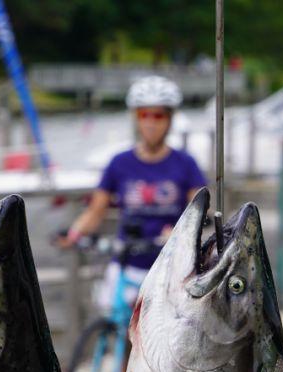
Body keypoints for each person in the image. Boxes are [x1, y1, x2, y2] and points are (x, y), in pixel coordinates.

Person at [60, 74, 207, 310]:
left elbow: (200, 210)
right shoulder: (119, 163)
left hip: (171, 264)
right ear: (135, 118)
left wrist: (182, 232)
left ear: (169, 119)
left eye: (158, 115)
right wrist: (74, 233)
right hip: (127, 260)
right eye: (143, 114)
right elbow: (96, 211)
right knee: (113, 320)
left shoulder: (185, 163)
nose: (150, 122)